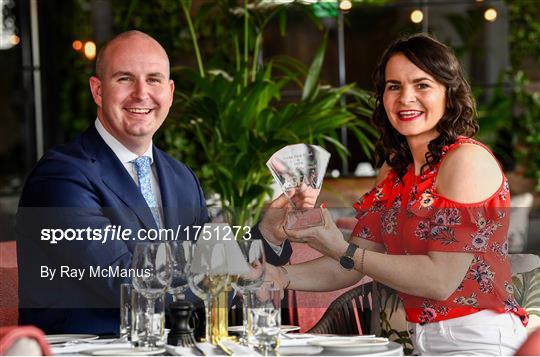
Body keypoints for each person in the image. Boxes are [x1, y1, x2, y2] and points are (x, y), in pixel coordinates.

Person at [16, 30, 312, 334]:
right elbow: (122, 281)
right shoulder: (61, 178)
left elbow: (211, 257)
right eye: (124, 79)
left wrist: (268, 234)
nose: (142, 93)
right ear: (98, 90)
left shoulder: (181, 177)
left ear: (169, 92)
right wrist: (221, 273)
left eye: (154, 79)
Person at [266, 33, 528, 355]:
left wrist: (343, 250)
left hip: (482, 340)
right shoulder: (395, 171)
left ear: (449, 93)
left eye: (422, 85)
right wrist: (276, 275)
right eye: (394, 86)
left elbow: (440, 280)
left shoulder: (465, 161)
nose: (406, 98)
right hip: (422, 342)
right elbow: (347, 265)